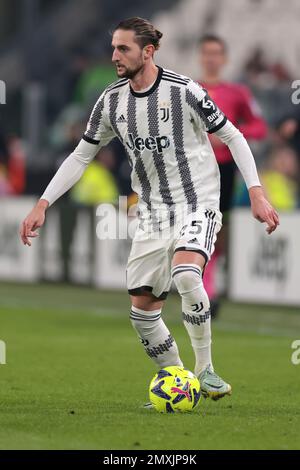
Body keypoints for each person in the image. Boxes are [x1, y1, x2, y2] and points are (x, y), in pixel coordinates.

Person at [20, 17, 279, 403]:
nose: (114, 56)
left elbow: (233, 135)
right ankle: (175, 376)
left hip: (198, 200)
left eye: (123, 48)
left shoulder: (186, 91)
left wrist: (257, 192)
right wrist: (43, 202)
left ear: (148, 51)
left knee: (187, 274)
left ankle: (205, 369)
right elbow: (81, 156)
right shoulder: (110, 100)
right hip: (153, 212)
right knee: (142, 313)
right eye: (113, 48)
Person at [198, 35, 268, 315]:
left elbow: (260, 127)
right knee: (192, 225)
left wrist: (229, 136)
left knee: (216, 229)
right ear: (200, 57)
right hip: (192, 169)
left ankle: (209, 286)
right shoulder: (189, 89)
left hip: (223, 170)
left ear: (224, 59)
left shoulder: (237, 93)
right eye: (206, 53)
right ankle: (202, 286)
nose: (211, 58)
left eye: (216, 53)